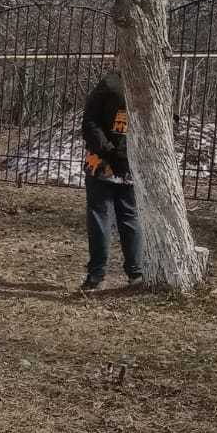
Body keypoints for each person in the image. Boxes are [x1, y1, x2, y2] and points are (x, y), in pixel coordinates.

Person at [79, 72, 143, 291]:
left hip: (102, 162)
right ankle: (136, 272)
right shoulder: (151, 84)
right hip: (131, 164)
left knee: (100, 215)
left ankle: (97, 274)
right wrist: (128, 155)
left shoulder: (109, 84)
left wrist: (109, 152)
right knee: (129, 215)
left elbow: (90, 122)